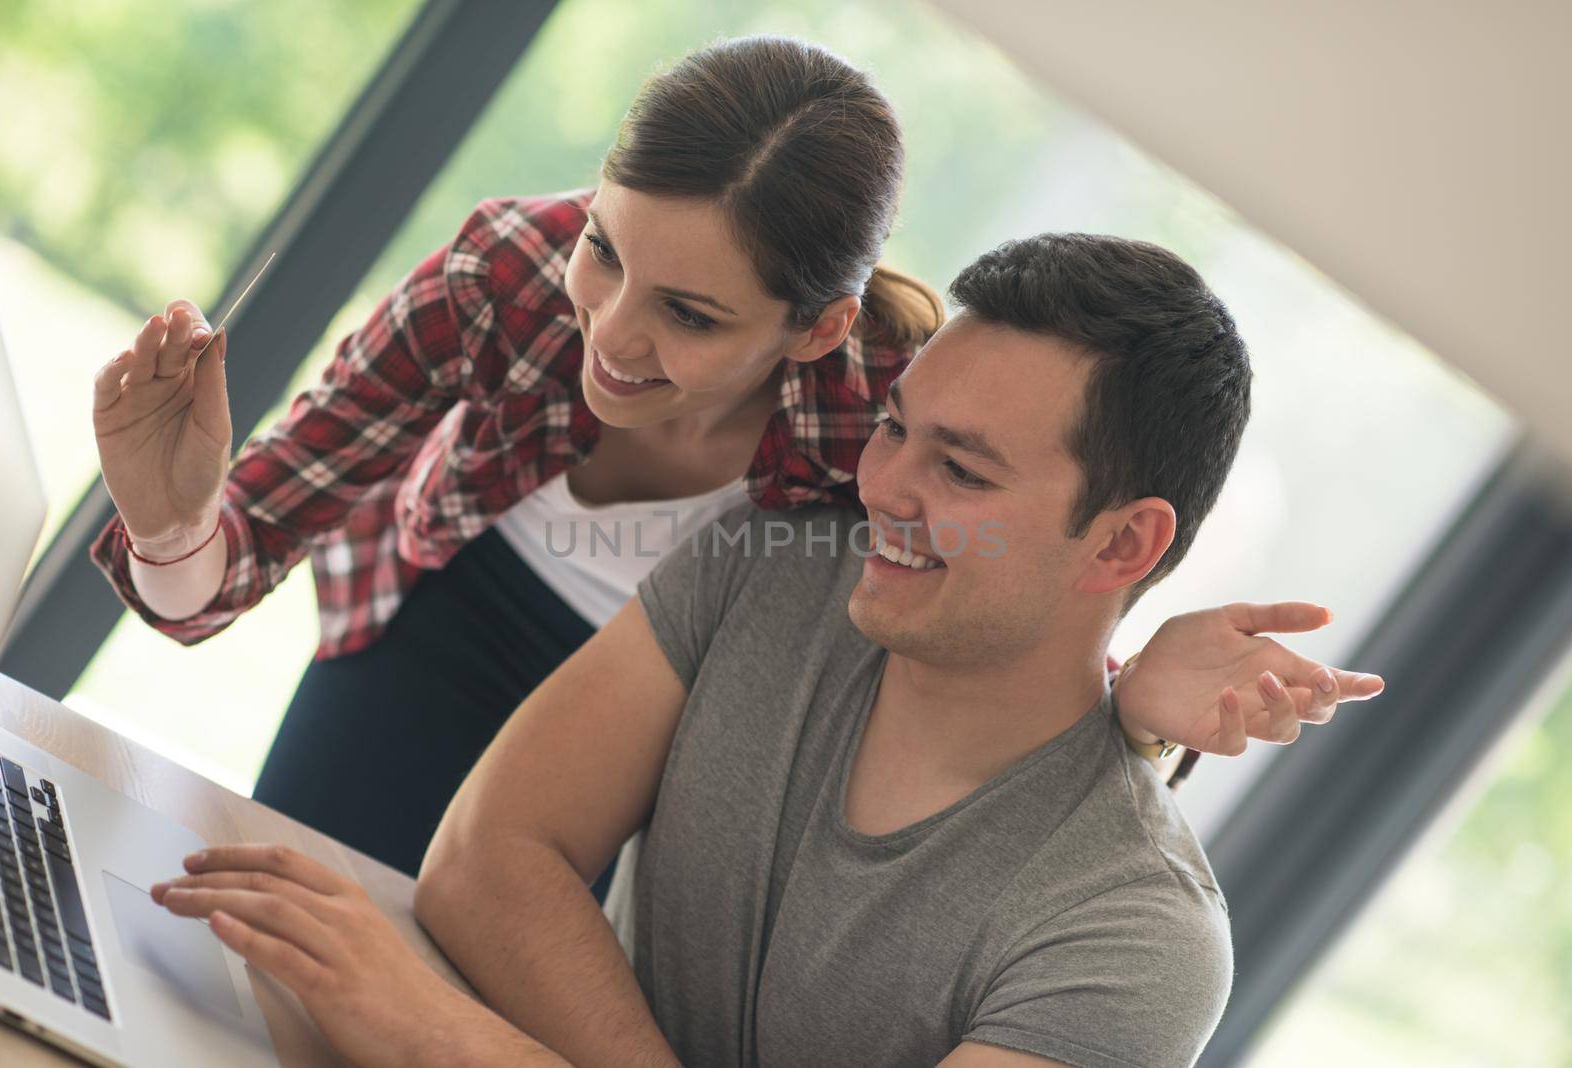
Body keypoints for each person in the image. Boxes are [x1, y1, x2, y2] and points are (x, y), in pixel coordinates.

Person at [92, 35, 1360, 883]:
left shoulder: (882, 413)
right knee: (258, 923)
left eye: (691, 315)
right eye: (606, 248)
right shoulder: (504, 278)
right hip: (427, 632)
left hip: (662, 742)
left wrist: (1137, 704)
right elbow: (223, 563)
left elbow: (999, 621)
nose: (614, 332)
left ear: (814, 327)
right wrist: (171, 521)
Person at [149, 233, 1385, 1067]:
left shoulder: (1134, 941)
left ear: (1122, 545)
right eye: (898, 428)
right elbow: (490, 856)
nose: (884, 486)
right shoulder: (774, 566)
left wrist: (448, 1038)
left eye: (960, 468)